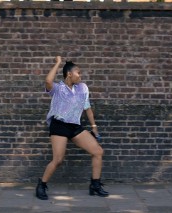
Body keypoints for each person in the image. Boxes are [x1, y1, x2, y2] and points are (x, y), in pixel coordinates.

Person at [36, 56, 109, 200]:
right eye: (78, 72)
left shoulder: (82, 88)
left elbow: (87, 108)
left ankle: (95, 185)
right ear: (69, 74)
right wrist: (58, 63)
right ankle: (42, 185)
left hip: (75, 126)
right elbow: (48, 81)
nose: (80, 75)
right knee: (58, 160)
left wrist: (94, 127)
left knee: (98, 152)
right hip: (59, 125)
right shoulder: (58, 88)